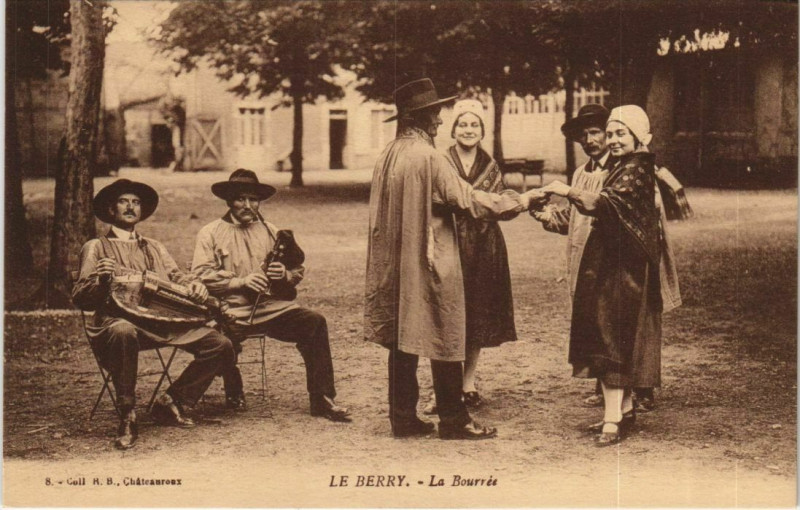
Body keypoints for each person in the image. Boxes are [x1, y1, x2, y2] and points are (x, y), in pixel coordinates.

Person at [365, 78, 547, 440]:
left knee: (402, 336)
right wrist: (522, 201)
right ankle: (454, 420)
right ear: (418, 118)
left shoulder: (388, 154)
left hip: (396, 263)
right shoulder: (429, 157)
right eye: (434, 114)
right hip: (430, 258)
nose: (439, 120)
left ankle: (402, 418)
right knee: (445, 329)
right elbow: (469, 199)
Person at [537, 105, 681, 446]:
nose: (611, 140)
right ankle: (624, 410)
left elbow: (602, 204)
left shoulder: (637, 169)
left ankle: (613, 419)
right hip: (609, 264)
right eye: (611, 133)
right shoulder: (621, 167)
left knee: (611, 335)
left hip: (624, 268)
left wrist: (566, 190)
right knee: (607, 333)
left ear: (638, 137)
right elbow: (582, 216)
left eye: (619, 134)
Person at [73, 179, 237, 450]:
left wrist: (194, 285)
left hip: (160, 321)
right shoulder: (96, 247)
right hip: (116, 322)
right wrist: (101, 281)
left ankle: (172, 401)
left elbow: (176, 277)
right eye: (123, 202)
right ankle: (128, 414)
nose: (130, 207)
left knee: (220, 345)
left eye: (136, 202)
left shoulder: (153, 247)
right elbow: (81, 297)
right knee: (123, 330)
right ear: (111, 209)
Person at [191, 169, 351, 422]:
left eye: (253, 200)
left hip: (271, 308)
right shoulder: (210, 232)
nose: (248, 205)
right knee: (221, 339)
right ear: (229, 201)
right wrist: (240, 282)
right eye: (241, 199)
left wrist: (284, 275)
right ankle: (233, 384)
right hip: (229, 310)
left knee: (314, 322)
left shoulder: (271, 231)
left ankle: (322, 398)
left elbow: (297, 269)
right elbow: (201, 275)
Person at [531, 103, 615, 410]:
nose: (590, 140)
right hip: (583, 259)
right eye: (584, 135)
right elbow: (574, 219)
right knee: (592, 320)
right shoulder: (581, 173)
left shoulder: (619, 169)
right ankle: (602, 385)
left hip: (611, 258)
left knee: (615, 321)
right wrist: (546, 216)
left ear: (609, 133)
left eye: (596, 132)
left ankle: (637, 390)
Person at [441, 99, 518, 408]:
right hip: (450, 240)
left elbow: (499, 204)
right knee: (447, 315)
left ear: (482, 130)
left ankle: (468, 382)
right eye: (462, 124)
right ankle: (443, 388)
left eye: (474, 125)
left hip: (485, 245)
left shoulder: (490, 165)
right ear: (453, 129)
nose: (468, 130)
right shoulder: (442, 161)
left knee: (476, 314)